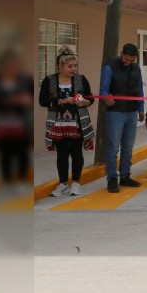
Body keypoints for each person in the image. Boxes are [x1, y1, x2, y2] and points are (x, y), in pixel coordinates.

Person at [39, 48, 93, 197]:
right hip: (57, 123)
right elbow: (42, 101)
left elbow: (91, 98)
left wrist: (85, 102)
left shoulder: (81, 79)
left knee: (76, 153)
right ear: (60, 66)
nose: (74, 69)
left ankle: (75, 183)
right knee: (61, 154)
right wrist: (60, 101)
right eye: (70, 66)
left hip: (78, 123)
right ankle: (63, 184)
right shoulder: (49, 80)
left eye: (75, 66)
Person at [0, 49, 33, 189]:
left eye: (15, 65)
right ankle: (7, 183)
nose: (13, 68)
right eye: (9, 65)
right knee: (4, 153)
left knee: (22, 152)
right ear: (2, 66)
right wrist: (5, 101)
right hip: (0, 124)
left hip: (21, 124)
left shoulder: (25, 81)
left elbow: (32, 98)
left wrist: (26, 101)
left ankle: (21, 181)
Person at [100, 43, 144, 193]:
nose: (129, 63)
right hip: (115, 113)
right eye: (126, 59)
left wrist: (141, 109)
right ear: (121, 53)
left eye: (132, 60)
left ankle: (125, 176)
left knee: (128, 147)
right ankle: (112, 178)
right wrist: (107, 98)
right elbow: (103, 90)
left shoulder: (136, 68)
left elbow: (139, 89)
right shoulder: (109, 67)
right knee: (113, 148)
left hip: (132, 112)